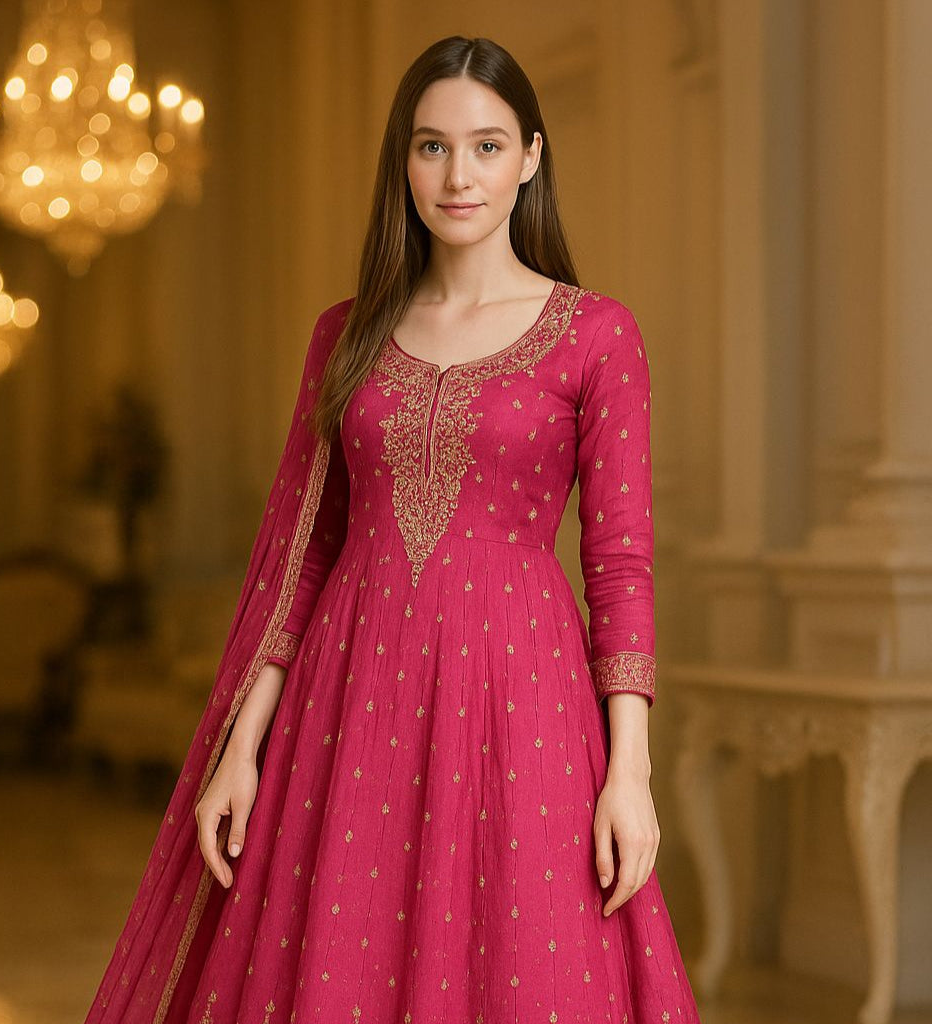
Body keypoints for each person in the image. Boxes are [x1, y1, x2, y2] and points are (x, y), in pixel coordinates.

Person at [85, 34, 701, 1024]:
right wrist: (242, 745)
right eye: (431, 146)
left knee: (528, 959)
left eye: (487, 146)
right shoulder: (346, 333)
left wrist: (630, 770)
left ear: (531, 158)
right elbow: (304, 557)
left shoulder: (596, 334)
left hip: (520, 698)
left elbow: (619, 566)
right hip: (349, 698)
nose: (458, 176)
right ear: (403, 162)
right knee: (342, 962)